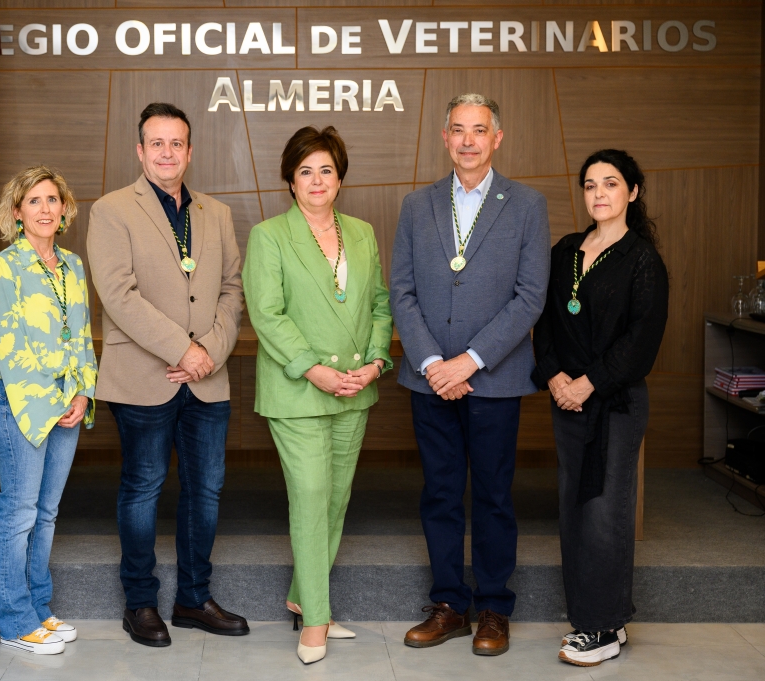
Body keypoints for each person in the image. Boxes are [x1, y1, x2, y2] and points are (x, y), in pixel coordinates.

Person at [390, 93, 551, 656]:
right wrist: (434, 363)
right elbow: (402, 292)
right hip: (428, 379)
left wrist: (471, 360)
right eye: (458, 129)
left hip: (496, 379)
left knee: (492, 495)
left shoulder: (527, 204)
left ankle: (492, 609)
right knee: (438, 493)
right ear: (444, 137)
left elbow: (531, 297)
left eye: (478, 130)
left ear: (496, 138)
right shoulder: (417, 204)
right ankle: (449, 605)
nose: (467, 140)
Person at [86, 103, 247, 647]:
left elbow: (231, 289)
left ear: (190, 151)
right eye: (156, 143)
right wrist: (183, 347)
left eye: (176, 143)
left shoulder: (216, 213)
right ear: (140, 150)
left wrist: (208, 352)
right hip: (142, 378)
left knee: (206, 490)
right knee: (143, 488)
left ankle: (193, 599)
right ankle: (139, 604)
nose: (167, 152)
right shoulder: (111, 210)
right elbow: (118, 295)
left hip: (208, 376)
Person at [243, 126, 393, 664]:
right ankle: (316, 622)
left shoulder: (362, 232)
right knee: (309, 498)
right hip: (299, 392)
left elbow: (379, 303)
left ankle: (305, 598)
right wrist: (314, 370)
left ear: (340, 177)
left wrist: (376, 362)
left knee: (334, 499)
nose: (316, 180)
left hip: (356, 388)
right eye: (305, 170)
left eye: (326, 170)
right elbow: (267, 314)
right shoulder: (269, 236)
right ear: (289, 179)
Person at [532, 149, 668, 667]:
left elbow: (641, 344)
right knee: (573, 511)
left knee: (605, 514)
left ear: (632, 192)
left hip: (614, 404)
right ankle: (598, 618)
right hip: (566, 401)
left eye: (610, 184)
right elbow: (543, 324)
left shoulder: (642, 260)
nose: (599, 194)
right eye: (590, 185)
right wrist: (554, 376)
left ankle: (602, 629)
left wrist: (588, 382)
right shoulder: (565, 249)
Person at [0, 166, 98, 654]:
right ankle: (14, 621)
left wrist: (82, 394)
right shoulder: (5, 267)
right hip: (21, 408)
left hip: (67, 407)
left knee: (47, 513)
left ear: (65, 208)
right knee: (19, 514)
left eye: (53, 199)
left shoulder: (73, 265)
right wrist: (55, 402)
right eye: (34, 201)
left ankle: (39, 609)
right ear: (17, 213)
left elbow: (85, 339)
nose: (46, 209)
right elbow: (9, 351)